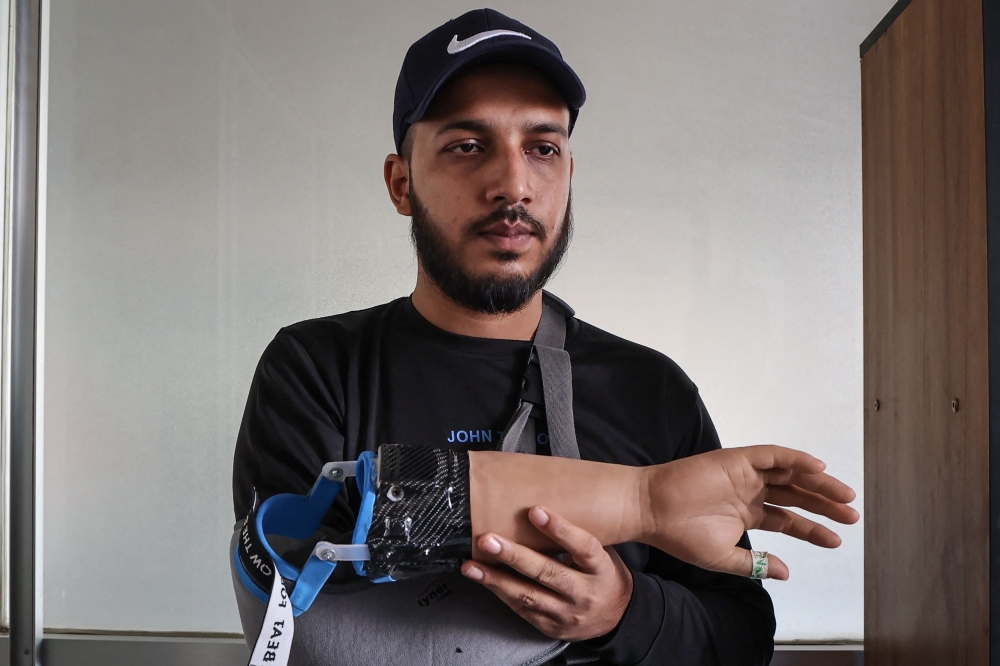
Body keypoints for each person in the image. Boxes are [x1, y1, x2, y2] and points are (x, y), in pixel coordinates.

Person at [232, 8, 854, 665]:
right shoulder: (314, 368)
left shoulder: (651, 390)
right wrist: (644, 502)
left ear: (568, 176)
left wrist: (623, 611)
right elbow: (295, 595)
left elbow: (740, 641)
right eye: (468, 145)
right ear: (401, 182)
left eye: (543, 147)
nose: (514, 184)